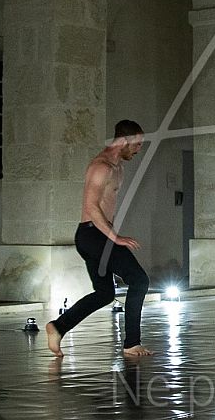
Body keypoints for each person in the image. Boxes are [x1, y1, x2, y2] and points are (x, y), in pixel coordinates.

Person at [45, 121, 153, 359]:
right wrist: (116, 238)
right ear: (123, 141)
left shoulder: (118, 168)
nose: (138, 150)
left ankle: (58, 327)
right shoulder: (101, 167)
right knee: (139, 280)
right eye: (136, 144)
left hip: (97, 235)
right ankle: (132, 343)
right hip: (93, 235)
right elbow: (91, 207)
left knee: (104, 293)